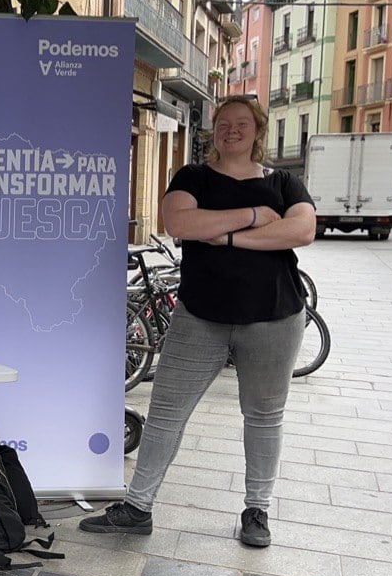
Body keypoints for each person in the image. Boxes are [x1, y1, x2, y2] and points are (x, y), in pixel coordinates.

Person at [80, 95, 315, 548]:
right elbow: (178, 223)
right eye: (224, 123)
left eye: (242, 123)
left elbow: (302, 231)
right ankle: (137, 507)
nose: (232, 130)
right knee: (167, 412)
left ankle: (257, 511)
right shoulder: (193, 177)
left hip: (274, 315)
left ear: (257, 131)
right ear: (213, 130)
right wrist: (251, 220)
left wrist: (225, 237)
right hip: (199, 316)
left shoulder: (284, 182)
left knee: (264, 417)